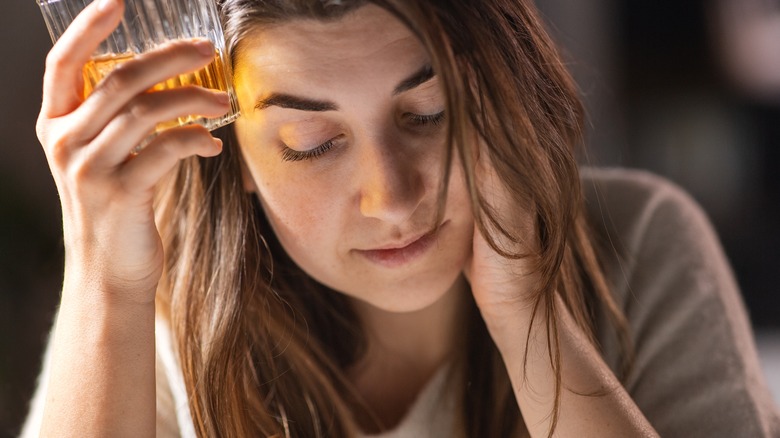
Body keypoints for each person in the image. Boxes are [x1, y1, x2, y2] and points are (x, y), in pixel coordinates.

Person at [21, 0, 780, 436]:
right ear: (239, 162)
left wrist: (525, 312)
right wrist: (105, 282)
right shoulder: (155, 309)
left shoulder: (642, 241)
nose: (392, 196)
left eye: (427, 114)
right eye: (312, 145)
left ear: (496, 96)